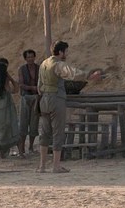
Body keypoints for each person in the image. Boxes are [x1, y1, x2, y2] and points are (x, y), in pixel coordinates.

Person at [37, 41, 102, 173]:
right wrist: (89, 76)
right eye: (66, 51)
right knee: (58, 132)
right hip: (56, 98)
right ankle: (56, 166)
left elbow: (39, 85)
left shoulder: (44, 64)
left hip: (44, 99)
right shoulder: (58, 64)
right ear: (60, 52)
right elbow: (73, 73)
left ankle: (42, 166)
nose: (67, 54)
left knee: (44, 132)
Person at [0, 58, 20, 159]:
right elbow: (15, 89)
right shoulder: (5, 80)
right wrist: (10, 78)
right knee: (12, 128)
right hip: (8, 109)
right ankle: (20, 152)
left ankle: (0, 152)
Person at [17, 49, 40, 157]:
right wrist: (32, 88)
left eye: (32, 56)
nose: (30, 59)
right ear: (25, 58)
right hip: (25, 97)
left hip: (36, 97)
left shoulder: (39, 68)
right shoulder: (22, 69)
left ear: (34, 57)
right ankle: (22, 148)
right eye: (28, 57)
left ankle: (31, 146)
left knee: (34, 123)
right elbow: (21, 84)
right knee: (23, 123)